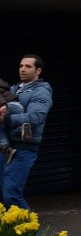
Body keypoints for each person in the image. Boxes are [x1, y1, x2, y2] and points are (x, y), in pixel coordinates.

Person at [0, 55, 53, 210]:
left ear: (38, 71)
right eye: (21, 65)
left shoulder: (42, 92)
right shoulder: (14, 88)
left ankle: (32, 234)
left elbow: (35, 117)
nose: (22, 69)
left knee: (12, 195)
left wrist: (5, 119)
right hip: (5, 147)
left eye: (28, 66)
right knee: (5, 196)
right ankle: (14, 234)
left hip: (23, 148)